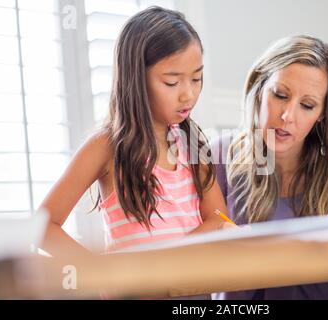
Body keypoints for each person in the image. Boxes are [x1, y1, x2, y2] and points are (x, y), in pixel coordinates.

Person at [39, 6, 230, 259]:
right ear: (136, 78)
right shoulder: (106, 146)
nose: (189, 94)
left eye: (196, 79)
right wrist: (99, 273)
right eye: (172, 82)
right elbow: (42, 228)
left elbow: (219, 218)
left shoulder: (192, 144)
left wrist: (169, 262)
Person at [212, 35, 328, 299]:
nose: (287, 116)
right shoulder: (218, 159)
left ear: (322, 114)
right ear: (259, 87)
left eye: (307, 105)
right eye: (280, 95)